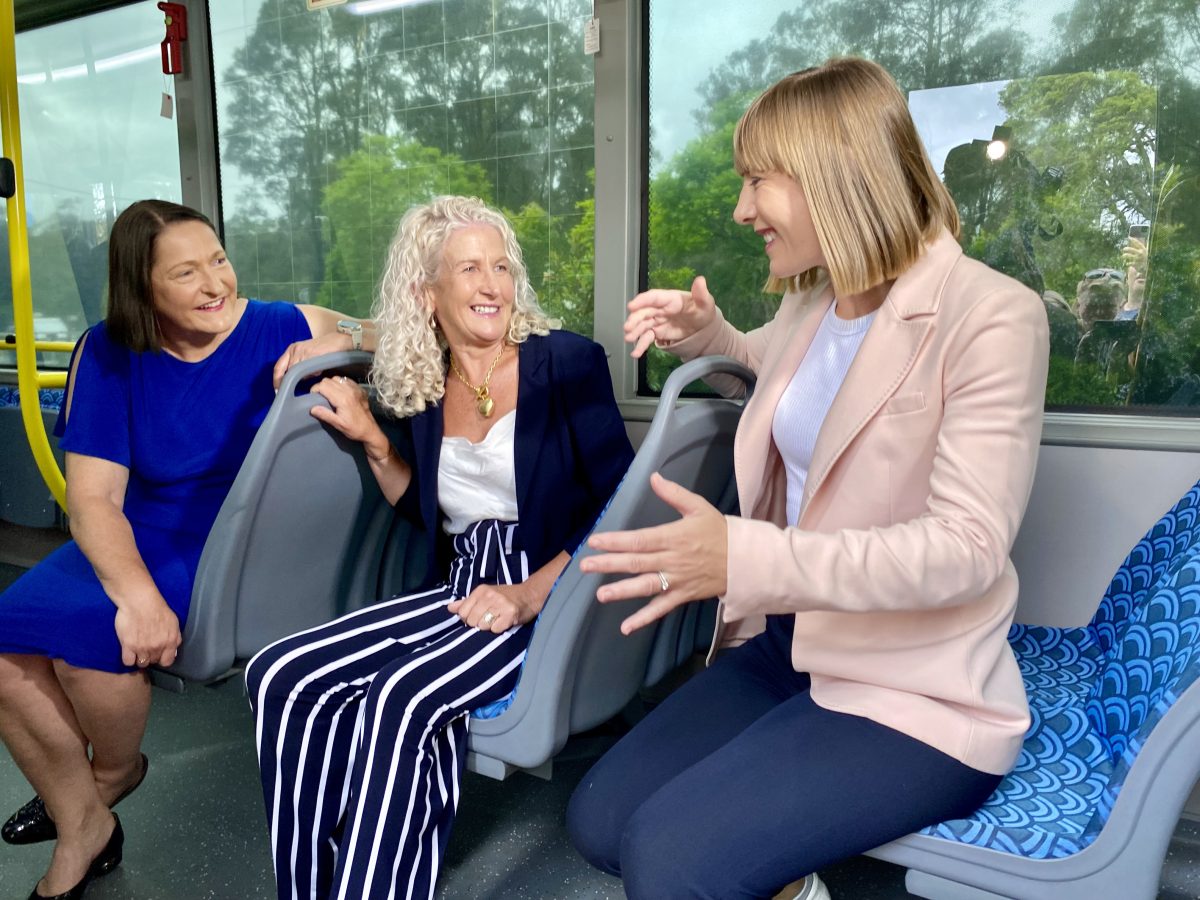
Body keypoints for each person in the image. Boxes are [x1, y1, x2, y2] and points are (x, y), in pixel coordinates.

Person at [566, 58, 1050, 900]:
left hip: (914, 687)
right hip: (793, 646)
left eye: (759, 179)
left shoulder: (993, 316)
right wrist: (710, 332)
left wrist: (750, 559)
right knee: (600, 822)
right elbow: (793, 388)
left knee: (672, 864)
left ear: (838, 168)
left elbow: (968, 549)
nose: (741, 208)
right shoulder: (814, 301)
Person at [245, 195, 633, 900]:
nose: (492, 285)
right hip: (459, 586)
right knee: (280, 674)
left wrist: (530, 592)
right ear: (428, 293)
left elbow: (620, 504)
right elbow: (427, 511)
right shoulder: (420, 384)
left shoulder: (567, 363)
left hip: (553, 585)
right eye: (469, 270)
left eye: (502, 267)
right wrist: (370, 439)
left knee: (400, 696)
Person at [0, 199, 373, 900]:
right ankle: (88, 816)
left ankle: (100, 783)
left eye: (219, 260)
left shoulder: (276, 324)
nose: (215, 285)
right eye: (185, 274)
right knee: (6, 645)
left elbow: (389, 332)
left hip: (232, 538)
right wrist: (139, 594)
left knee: (89, 644)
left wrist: (339, 335)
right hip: (134, 530)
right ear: (143, 290)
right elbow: (93, 502)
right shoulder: (107, 353)